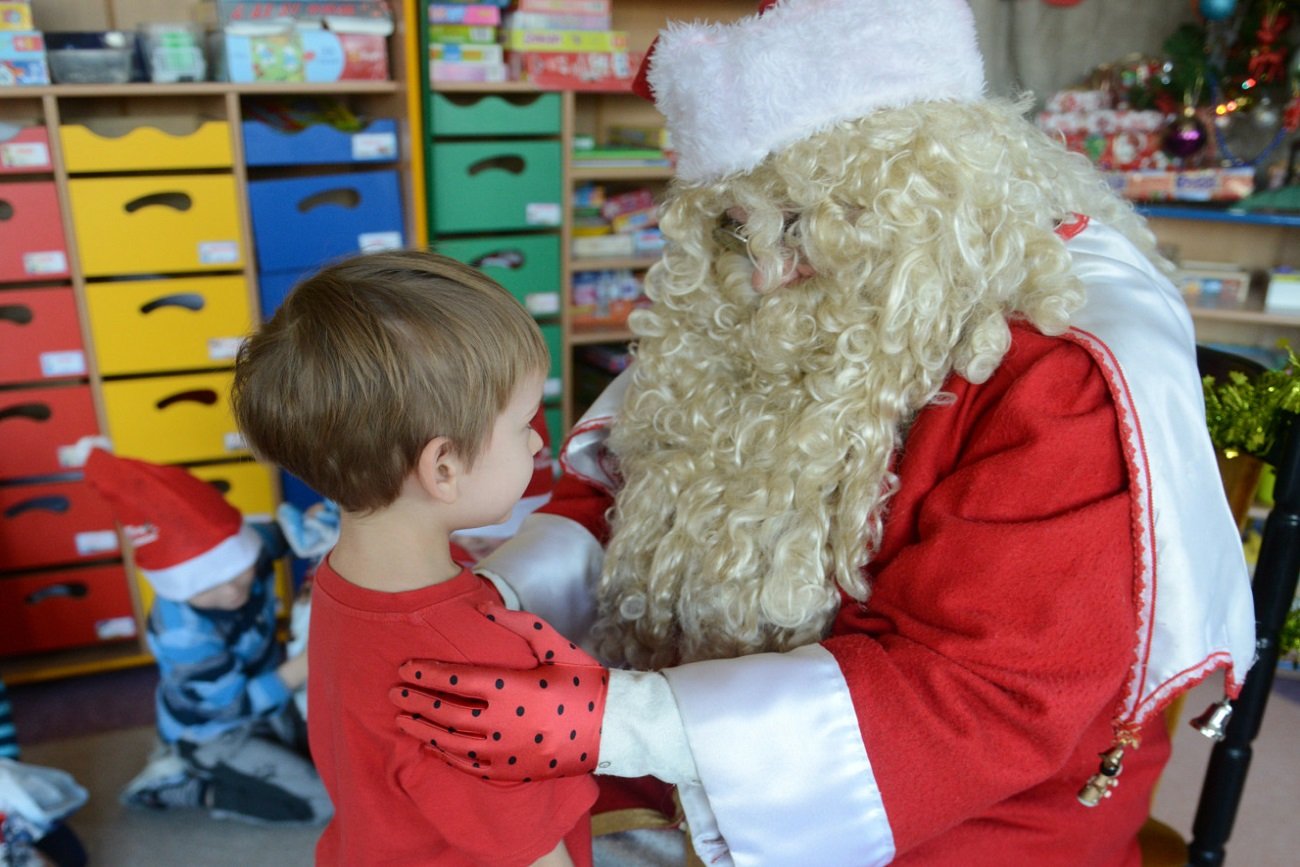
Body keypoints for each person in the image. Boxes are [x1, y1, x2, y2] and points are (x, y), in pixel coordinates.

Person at [389, 1, 1258, 865]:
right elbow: (618, 485)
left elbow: (982, 696)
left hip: (958, 810)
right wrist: (496, 604)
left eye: (806, 226)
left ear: (928, 194)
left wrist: (621, 722)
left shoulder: (1060, 376)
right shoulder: (751, 295)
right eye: (736, 227)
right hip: (700, 741)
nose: (764, 273)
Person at [231, 250, 599, 867]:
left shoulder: (342, 576)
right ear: (444, 468)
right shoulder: (466, 663)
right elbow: (532, 854)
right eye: (522, 424)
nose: (538, 439)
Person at [83, 449, 331, 826]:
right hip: (213, 729)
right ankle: (183, 784)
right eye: (206, 586)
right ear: (178, 585)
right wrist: (304, 667)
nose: (232, 591)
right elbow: (230, 707)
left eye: (238, 572)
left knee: (336, 759)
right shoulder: (183, 633)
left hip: (265, 699)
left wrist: (317, 519)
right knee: (320, 803)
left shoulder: (253, 549)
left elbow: (285, 533)